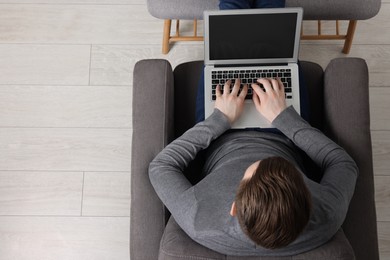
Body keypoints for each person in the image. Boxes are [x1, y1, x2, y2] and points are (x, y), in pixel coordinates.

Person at [149, 77, 358, 256]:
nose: (267, 160)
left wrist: (220, 119)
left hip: (222, 134)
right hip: (285, 130)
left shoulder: (199, 218)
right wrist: (283, 117)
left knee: (219, 59)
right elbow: (343, 163)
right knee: (286, 63)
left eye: (251, 173)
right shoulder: (328, 216)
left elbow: (161, 166)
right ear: (309, 200)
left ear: (234, 208)